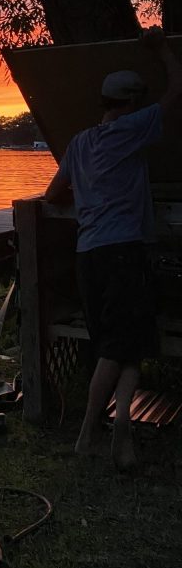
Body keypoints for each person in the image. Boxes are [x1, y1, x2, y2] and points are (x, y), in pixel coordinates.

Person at [44, 27, 182, 470]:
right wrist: (161, 49)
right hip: (124, 252)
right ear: (134, 103)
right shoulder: (134, 128)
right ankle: (88, 432)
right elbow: (178, 90)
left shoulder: (81, 142)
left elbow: (52, 195)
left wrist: (86, 196)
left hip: (90, 255)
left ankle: (121, 428)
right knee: (116, 347)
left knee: (127, 344)